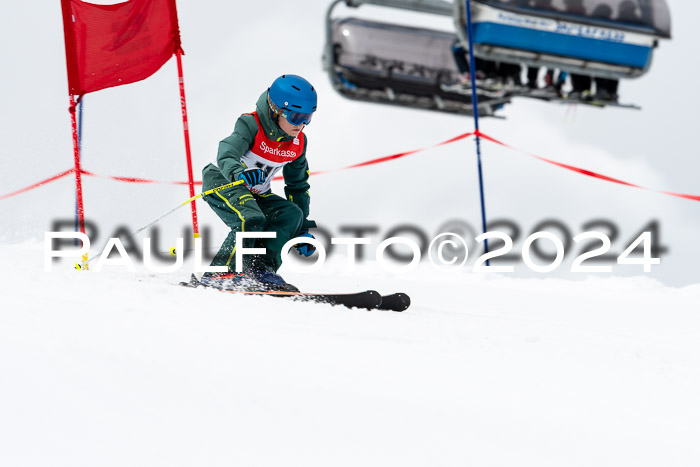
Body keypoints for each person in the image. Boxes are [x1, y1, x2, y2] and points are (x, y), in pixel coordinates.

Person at [199, 74, 318, 291]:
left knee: (291, 214)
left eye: (307, 117)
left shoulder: (298, 143)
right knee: (251, 218)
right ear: (276, 110)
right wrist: (239, 173)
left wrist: (300, 230)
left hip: (256, 192)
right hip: (222, 179)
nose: (301, 124)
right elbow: (227, 151)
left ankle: (260, 269)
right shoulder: (251, 124)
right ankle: (221, 273)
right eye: (296, 116)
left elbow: (298, 185)